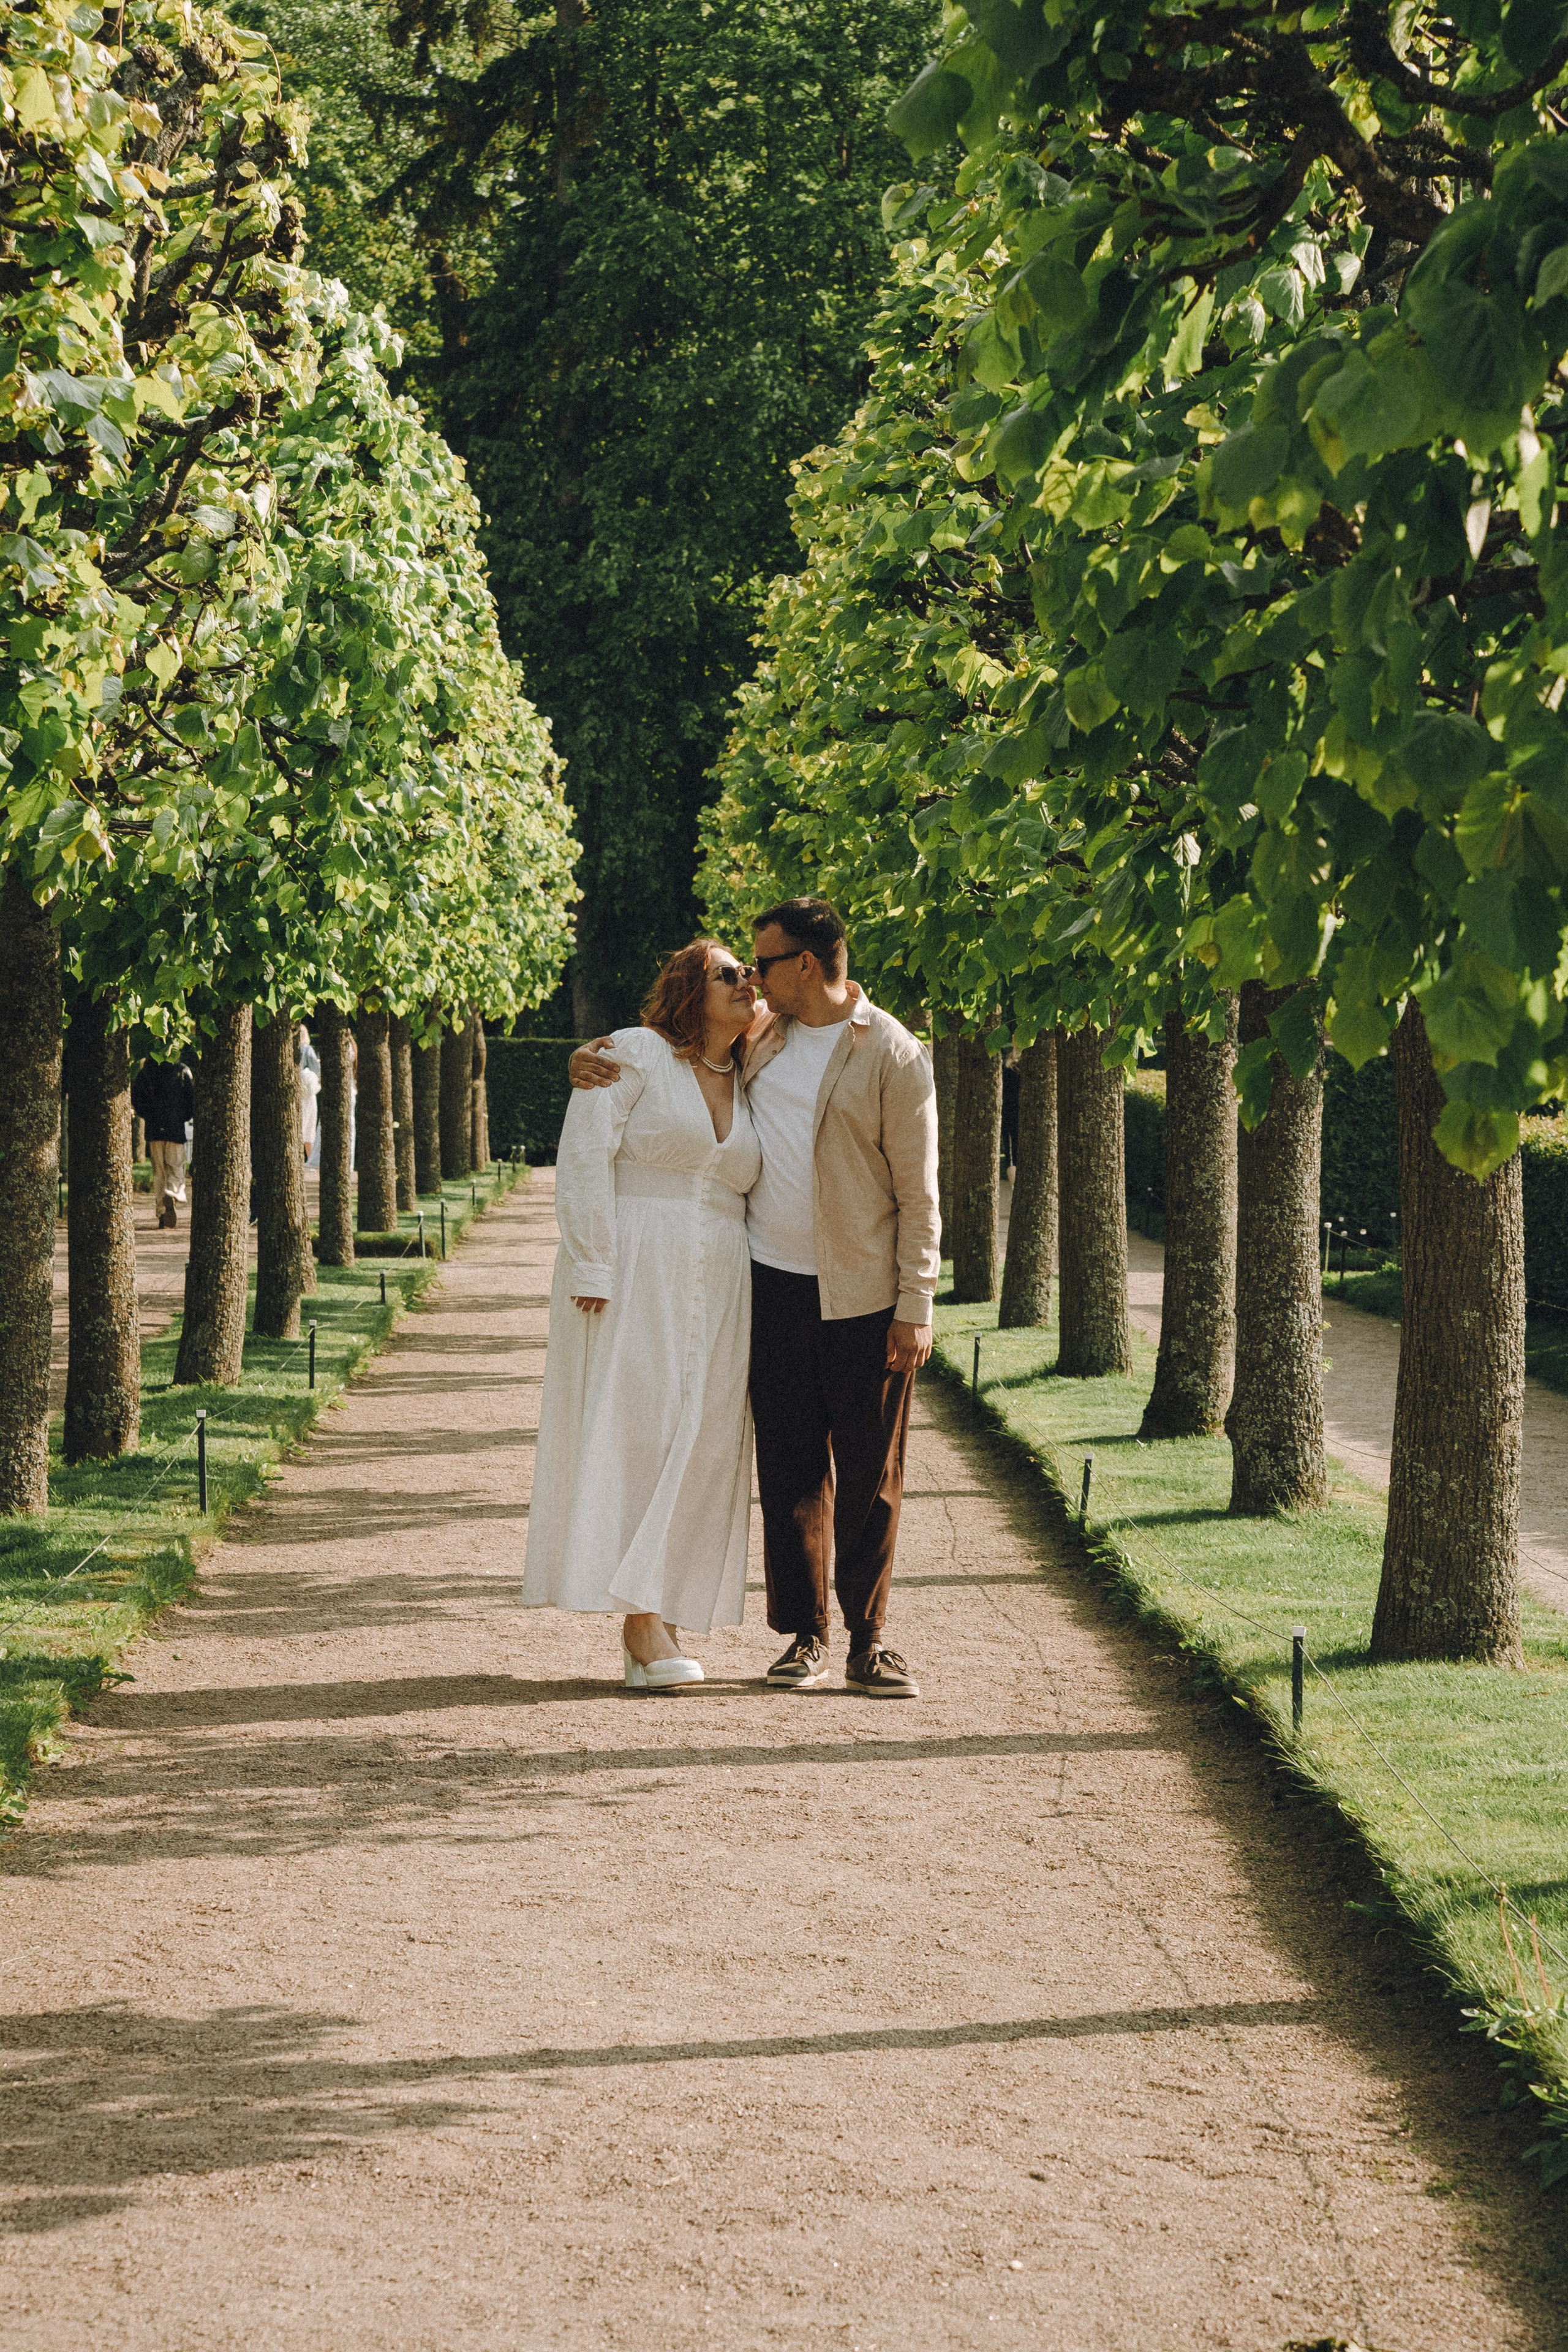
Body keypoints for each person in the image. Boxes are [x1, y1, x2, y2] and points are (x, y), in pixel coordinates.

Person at [570, 897, 940, 1698]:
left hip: (866, 1297)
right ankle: (804, 1637)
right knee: (789, 1471)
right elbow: (671, 1055)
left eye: (762, 964)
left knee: (873, 1476)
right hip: (768, 1286)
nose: (752, 978)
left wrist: (918, 1301)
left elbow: (919, 1191)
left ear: (805, 965)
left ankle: (868, 1643)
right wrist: (587, 1060)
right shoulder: (759, 1038)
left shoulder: (893, 1054)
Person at [526, 941, 763, 1689]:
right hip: (633, 1264)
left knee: (704, 1436)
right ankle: (639, 1618)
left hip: (724, 1274)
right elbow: (586, 1151)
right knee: (638, 1426)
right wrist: (594, 1259)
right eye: (729, 972)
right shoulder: (633, 1054)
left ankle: (658, 1606)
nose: (746, 981)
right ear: (689, 991)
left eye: (750, 972)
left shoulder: (758, 1069)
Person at [130, 1052, 195, 1230]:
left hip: (154, 1128)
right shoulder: (181, 1070)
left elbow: (136, 1098)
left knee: (159, 1172)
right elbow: (191, 1099)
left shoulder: (146, 1071)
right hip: (175, 1128)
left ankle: (161, 1212)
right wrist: (181, 1116)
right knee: (176, 1166)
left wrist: (149, 1116)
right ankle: (172, 1192)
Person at [296, 1024, 321, 1164]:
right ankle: (310, 1159)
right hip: (308, 1092)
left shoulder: (294, 1050)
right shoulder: (307, 1049)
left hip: (298, 1091)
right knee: (309, 1125)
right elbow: (316, 1069)